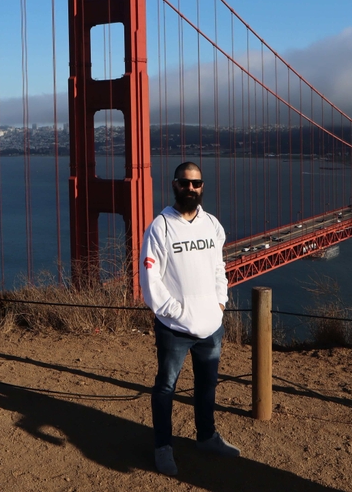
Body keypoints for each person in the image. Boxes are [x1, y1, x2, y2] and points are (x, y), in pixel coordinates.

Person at [139, 161, 240, 477]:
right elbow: (149, 278)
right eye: (185, 183)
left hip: (211, 326)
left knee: (207, 384)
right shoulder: (161, 226)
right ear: (174, 185)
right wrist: (173, 312)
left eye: (196, 184)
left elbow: (218, 268)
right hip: (176, 329)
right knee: (166, 387)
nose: (191, 189)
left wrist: (220, 303)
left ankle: (206, 437)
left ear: (202, 187)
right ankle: (162, 448)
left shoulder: (212, 224)